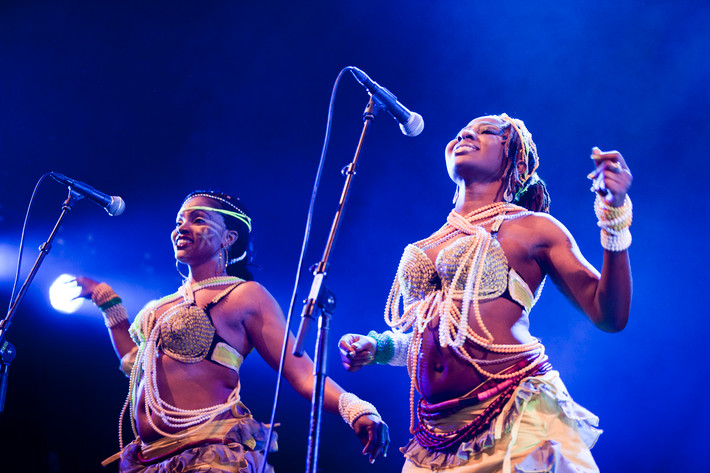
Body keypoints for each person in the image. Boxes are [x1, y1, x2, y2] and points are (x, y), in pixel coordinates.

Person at [338, 114, 632, 473]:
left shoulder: (533, 228)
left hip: (516, 419)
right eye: (462, 131)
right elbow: (442, 335)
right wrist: (382, 348)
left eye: (486, 131)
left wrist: (614, 213)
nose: (465, 133)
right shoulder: (429, 243)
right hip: (437, 439)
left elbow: (609, 314)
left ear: (517, 161)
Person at [75, 190, 389, 473]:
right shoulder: (158, 308)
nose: (182, 228)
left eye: (198, 220)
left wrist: (356, 409)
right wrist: (106, 300)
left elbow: (302, 373)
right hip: (151, 460)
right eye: (180, 221)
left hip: (209, 455)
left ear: (228, 238)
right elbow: (135, 363)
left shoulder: (244, 296)